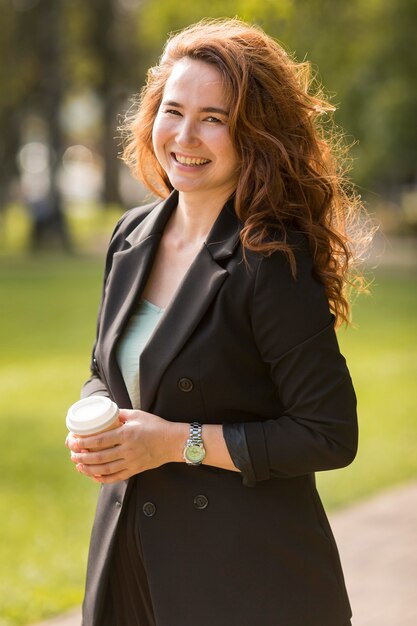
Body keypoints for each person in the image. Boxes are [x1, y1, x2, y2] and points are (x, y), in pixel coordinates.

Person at [66, 17, 371, 626]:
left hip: (244, 581)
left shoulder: (271, 260)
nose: (186, 135)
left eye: (214, 118)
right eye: (173, 110)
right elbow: (107, 370)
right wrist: (95, 418)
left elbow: (329, 433)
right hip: (131, 560)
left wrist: (177, 442)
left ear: (254, 135)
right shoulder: (132, 235)